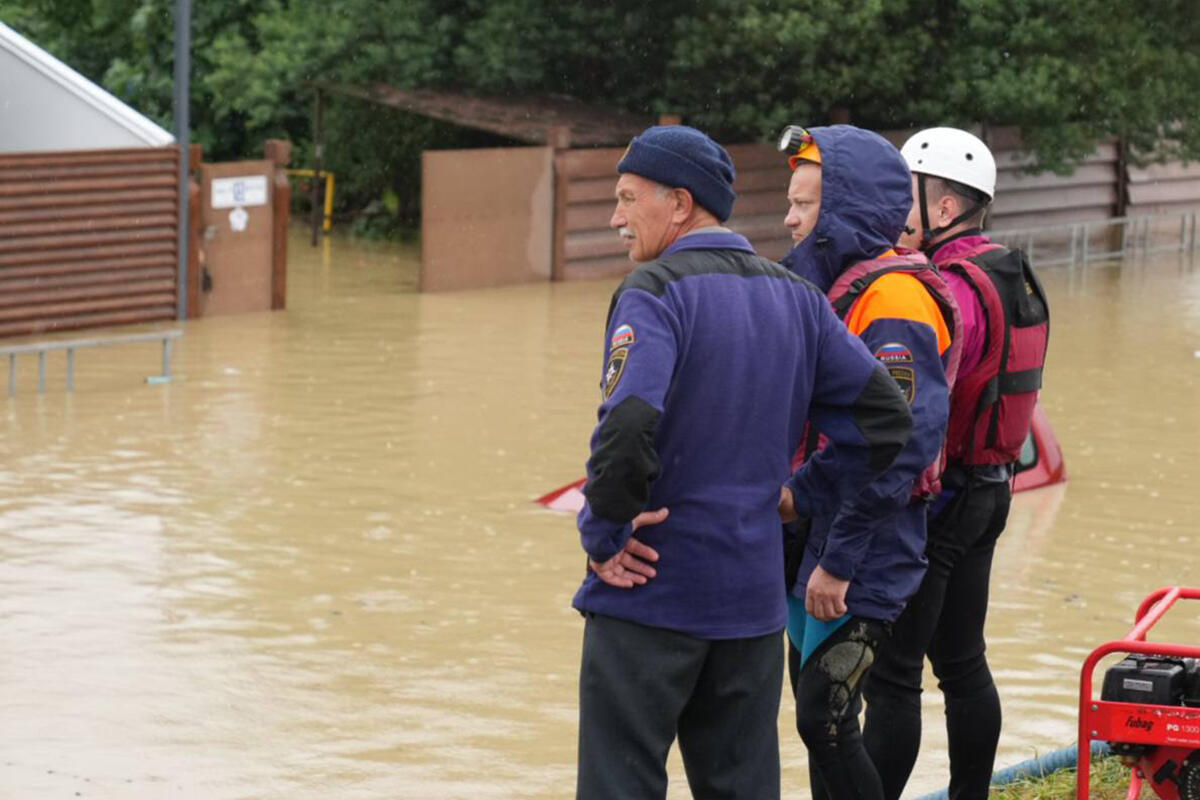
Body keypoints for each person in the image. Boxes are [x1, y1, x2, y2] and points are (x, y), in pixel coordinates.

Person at [571, 124, 916, 800]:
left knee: (621, 783)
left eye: (626, 198)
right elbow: (887, 422)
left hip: (651, 596)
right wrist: (798, 495)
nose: (615, 217)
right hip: (751, 605)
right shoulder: (798, 298)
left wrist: (604, 538)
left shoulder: (654, 292)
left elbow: (630, 422)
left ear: (678, 203)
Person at [862, 127, 1050, 800]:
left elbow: (918, 409)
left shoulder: (947, 288)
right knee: (964, 663)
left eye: (904, 197)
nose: (894, 211)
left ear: (943, 209)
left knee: (893, 676)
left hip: (943, 501)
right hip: (994, 489)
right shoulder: (1007, 269)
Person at [776, 124, 960, 800]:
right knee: (816, 718)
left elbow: (902, 446)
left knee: (825, 718)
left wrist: (839, 558)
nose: (789, 218)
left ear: (845, 208)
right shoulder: (842, 289)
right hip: (819, 528)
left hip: (865, 543)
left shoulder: (894, 301)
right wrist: (796, 500)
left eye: (803, 205)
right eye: (790, 203)